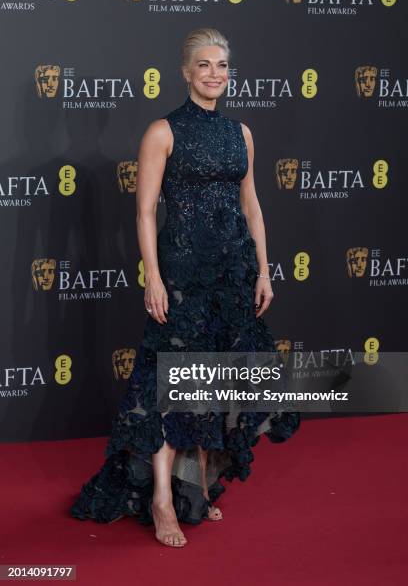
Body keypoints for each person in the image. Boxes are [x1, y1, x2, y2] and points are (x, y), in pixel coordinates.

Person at [70, 27, 300, 548]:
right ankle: (160, 499)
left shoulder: (240, 134)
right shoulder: (162, 131)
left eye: (222, 65)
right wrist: (153, 276)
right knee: (171, 387)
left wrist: (263, 270)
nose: (214, 73)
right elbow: (146, 210)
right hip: (184, 274)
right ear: (186, 72)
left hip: (233, 273)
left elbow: (253, 206)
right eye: (204, 65)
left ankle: (194, 488)